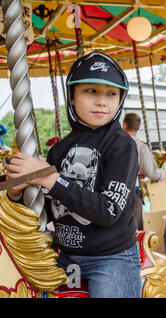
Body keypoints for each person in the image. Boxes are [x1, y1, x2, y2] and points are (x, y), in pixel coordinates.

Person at [6, 52, 142, 298]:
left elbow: (107, 210)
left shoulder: (122, 146)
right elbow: (47, 206)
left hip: (111, 259)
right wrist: (18, 193)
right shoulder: (59, 149)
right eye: (91, 91)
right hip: (68, 257)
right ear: (72, 95)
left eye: (111, 94)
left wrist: (49, 178)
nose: (102, 101)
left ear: (120, 99)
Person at [123, 112, 166, 230]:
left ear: (124, 125)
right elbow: (152, 173)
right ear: (138, 128)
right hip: (130, 190)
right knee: (134, 225)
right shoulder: (140, 146)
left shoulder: (112, 142)